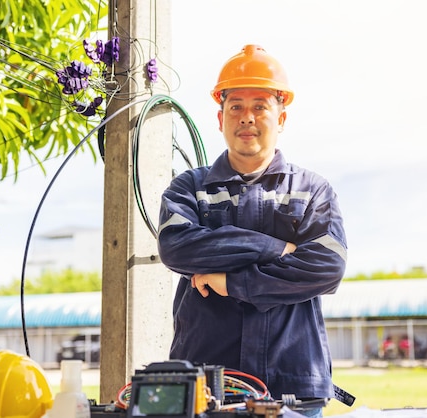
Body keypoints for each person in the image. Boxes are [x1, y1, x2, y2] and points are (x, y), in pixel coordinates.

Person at [157, 44, 347, 416]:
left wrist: (231, 283)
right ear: (220, 118)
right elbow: (177, 247)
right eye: (236, 107)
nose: (247, 117)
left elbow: (326, 266)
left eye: (260, 106)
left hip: (293, 383)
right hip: (205, 383)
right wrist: (276, 247)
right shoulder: (188, 189)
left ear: (281, 118)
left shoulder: (313, 191)